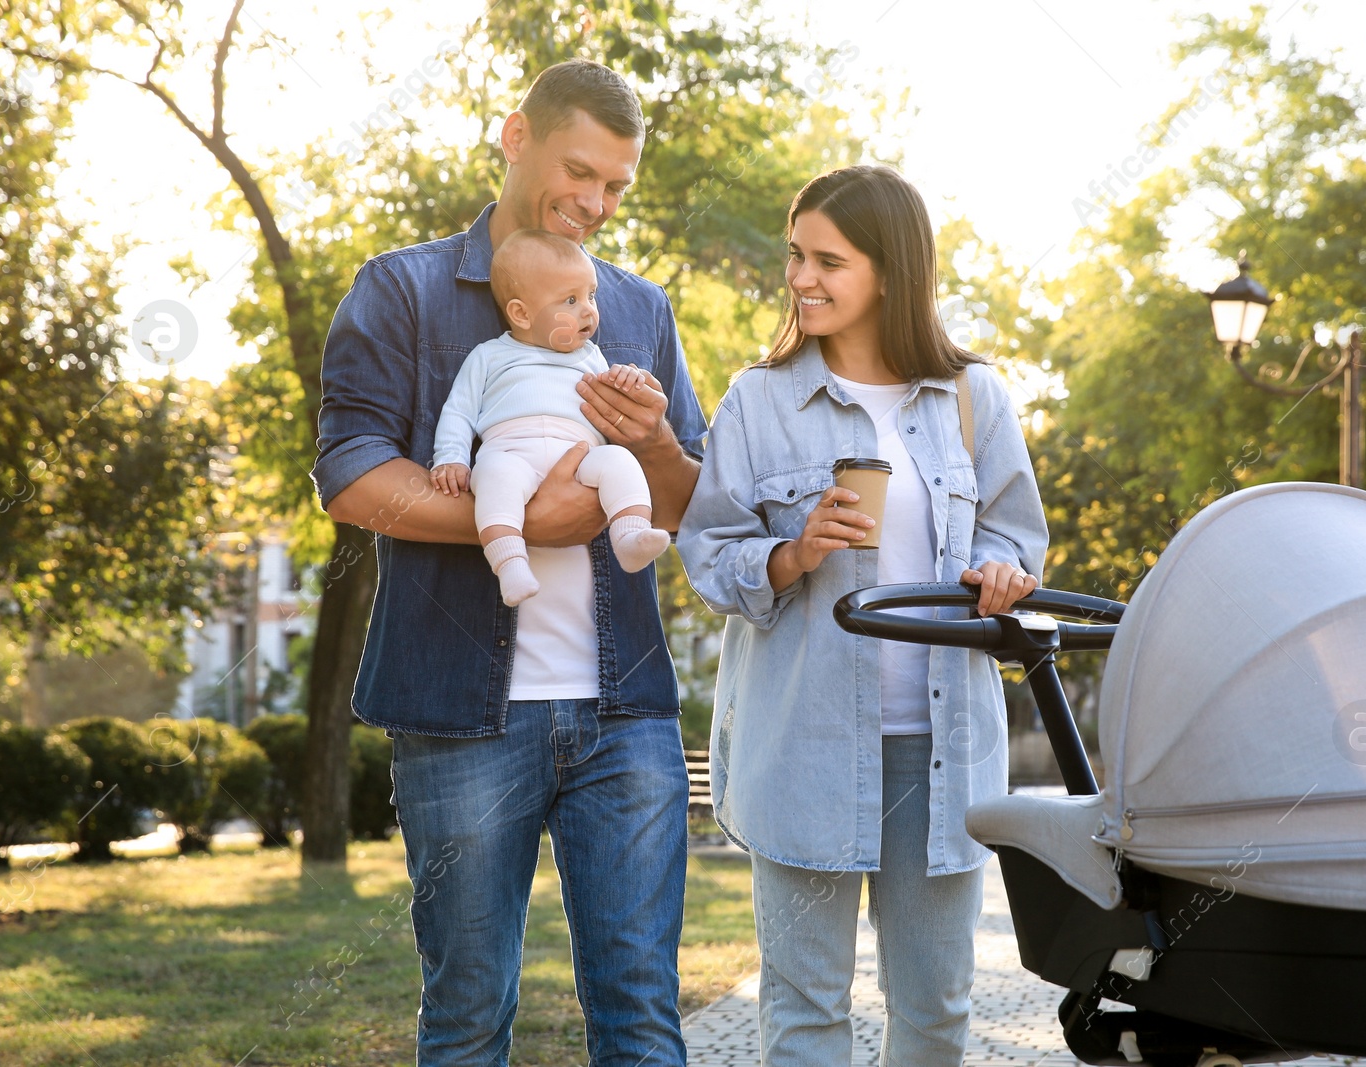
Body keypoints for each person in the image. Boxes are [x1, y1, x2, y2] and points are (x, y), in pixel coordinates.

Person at [312, 59, 706, 1067]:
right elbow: (353, 475)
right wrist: (532, 523)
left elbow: (693, 495)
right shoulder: (400, 290)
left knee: (642, 1014)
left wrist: (655, 446)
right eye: (580, 170)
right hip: (457, 717)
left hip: (627, 715)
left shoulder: (640, 308)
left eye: (617, 185)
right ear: (513, 136)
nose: (596, 202)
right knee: (467, 1016)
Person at [675, 165, 1049, 1066]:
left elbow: (1017, 533)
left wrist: (1004, 571)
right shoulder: (758, 401)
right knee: (805, 1008)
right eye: (795, 256)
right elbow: (707, 554)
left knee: (936, 1007)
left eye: (828, 260)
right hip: (800, 743)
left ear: (891, 269)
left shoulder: (972, 396)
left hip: (943, 752)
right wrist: (794, 553)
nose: (802, 278)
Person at [429, 229, 670, 606]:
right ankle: (510, 564)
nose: (588, 310)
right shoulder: (489, 355)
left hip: (579, 457)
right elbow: (458, 411)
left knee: (619, 461)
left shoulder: (591, 356)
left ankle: (630, 535)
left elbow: (612, 402)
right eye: (570, 300)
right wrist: (451, 458)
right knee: (493, 480)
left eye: (591, 295)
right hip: (511, 453)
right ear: (522, 314)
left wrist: (629, 379)